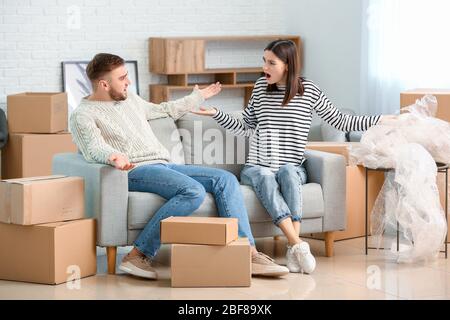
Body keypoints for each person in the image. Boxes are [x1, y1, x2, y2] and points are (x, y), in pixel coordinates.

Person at [69, 53, 289, 280]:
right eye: (122, 78)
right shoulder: (82, 115)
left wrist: (197, 97)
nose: (129, 82)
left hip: (163, 165)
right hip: (134, 170)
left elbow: (164, 110)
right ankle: (137, 254)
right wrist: (113, 155)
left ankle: (248, 254)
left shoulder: (130, 99)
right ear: (104, 84)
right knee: (193, 191)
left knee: (225, 179)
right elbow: (93, 147)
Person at [193, 40, 395, 274]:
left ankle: (293, 247)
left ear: (287, 65)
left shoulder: (308, 91)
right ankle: (298, 244)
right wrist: (217, 113)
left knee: (289, 173)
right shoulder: (260, 87)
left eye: (271, 62)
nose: (264, 67)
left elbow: (342, 121)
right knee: (266, 177)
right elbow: (246, 126)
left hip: (291, 165)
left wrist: (381, 120)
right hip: (257, 166)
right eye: (264, 61)